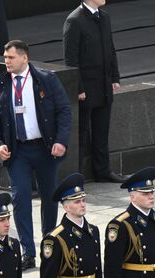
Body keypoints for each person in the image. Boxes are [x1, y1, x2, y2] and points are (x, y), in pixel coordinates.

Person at [0, 39, 71, 270]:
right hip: (18, 150)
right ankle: (28, 251)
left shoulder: (46, 79)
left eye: (11, 58)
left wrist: (61, 141)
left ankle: (49, 242)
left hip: (44, 148)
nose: (7, 62)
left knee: (50, 197)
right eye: (5, 58)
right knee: (21, 198)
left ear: (24, 58)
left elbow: (64, 110)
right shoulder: (0, 83)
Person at [63, 1, 123, 183]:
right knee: (81, 132)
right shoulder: (74, 20)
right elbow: (71, 58)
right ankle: (77, 174)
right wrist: (78, 87)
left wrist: (115, 77)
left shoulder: (104, 17)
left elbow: (110, 49)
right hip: (86, 87)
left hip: (103, 84)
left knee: (101, 131)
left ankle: (103, 171)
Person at [40, 173, 102, 278]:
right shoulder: (55, 238)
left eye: (83, 200)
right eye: (77, 202)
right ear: (66, 207)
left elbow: (97, 272)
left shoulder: (93, 231)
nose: (83, 205)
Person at [104, 167, 155, 278]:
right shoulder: (120, 225)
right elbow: (112, 269)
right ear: (133, 197)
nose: (151, 196)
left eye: (152, 192)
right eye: (145, 193)